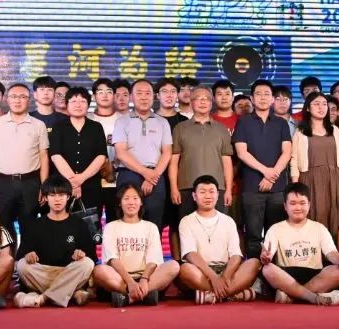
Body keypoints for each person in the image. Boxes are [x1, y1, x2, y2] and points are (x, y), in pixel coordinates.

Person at [258, 181, 339, 305]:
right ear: (285, 206)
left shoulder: (319, 228)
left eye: (302, 203)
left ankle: (292, 296)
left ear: (309, 204)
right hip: (287, 275)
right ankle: (312, 297)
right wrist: (266, 257)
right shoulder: (275, 229)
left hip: (315, 275)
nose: (298, 208)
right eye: (293, 203)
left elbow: (331, 253)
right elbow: (268, 254)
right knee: (268, 269)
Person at [169, 86, 234, 256]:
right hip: (186, 188)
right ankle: (185, 265)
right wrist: (174, 188)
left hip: (216, 189)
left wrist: (228, 189)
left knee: (218, 231)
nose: (203, 102)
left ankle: (218, 264)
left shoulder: (221, 129)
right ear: (191, 103)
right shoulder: (180, 128)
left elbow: (227, 161)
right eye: (198, 98)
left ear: (211, 103)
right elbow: (174, 161)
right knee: (185, 229)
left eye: (206, 98)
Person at [14, 176, 96, 308]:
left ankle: (43, 298)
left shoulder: (79, 224)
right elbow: (21, 257)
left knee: (87, 263)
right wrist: (28, 255)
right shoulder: (35, 225)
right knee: (22, 265)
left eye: (61, 195)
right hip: (44, 273)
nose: (57, 199)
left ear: (68, 197)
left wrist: (81, 254)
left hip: (69, 272)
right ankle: (70, 293)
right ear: (45, 198)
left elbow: (92, 258)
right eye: (52, 195)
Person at [94, 184, 180, 307]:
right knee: (99, 270)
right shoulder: (110, 227)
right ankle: (146, 295)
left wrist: (144, 279)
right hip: (120, 277)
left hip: (147, 277)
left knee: (174, 266)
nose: (131, 202)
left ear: (141, 202)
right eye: (126, 198)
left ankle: (129, 298)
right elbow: (112, 260)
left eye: (135, 198)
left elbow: (153, 260)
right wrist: (130, 282)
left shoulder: (151, 227)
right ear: (120, 203)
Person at [178, 175, 260, 304]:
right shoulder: (186, 221)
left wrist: (225, 276)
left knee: (254, 263)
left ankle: (213, 295)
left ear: (217, 195)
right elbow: (190, 254)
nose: (207, 196)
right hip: (202, 271)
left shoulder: (228, 221)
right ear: (194, 196)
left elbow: (236, 255)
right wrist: (213, 277)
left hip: (227, 271)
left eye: (211, 192)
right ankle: (233, 294)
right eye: (202, 192)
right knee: (184, 269)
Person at [0, 83, 49, 248]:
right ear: (7, 100)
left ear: (29, 100)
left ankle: (25, 261)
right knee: (2, 227)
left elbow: (43, 156)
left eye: (22, 97)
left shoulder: (38, 125)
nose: (18, 100)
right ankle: (7, 260)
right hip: (2, 182)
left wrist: (43, 185)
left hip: (30, 183)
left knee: (29, 226)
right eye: (14, 96)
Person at [233, 79, 291, 255]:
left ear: (272, 99)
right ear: (252, 98)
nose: (263, 97)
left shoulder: (281, 123)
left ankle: (275, 271)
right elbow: (242, 153)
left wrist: (272, 176)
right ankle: (253, 270)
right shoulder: (244, 122)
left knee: (276, 234)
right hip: (252, 187)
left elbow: (287, 152)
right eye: (258, 94)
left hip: (278, 188)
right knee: (253, 236)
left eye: (267, 94)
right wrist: (266, 172)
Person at [114, 79, 173, 230]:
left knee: (154, 220)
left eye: (148, 93)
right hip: (128, 174)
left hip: (156, 176)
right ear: (131, 97)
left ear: (154, 96)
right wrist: (145, 172)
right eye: (139, 93)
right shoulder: (122, 122)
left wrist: (153, 176)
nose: (144, 97)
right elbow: (120, 152)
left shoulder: (162, 122)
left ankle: (153, 247)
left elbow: (167, 152)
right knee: (127, 220)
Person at [289, 92, 339, 238]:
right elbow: (294, 160)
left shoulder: (335, 130)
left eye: (324, 104)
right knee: (313, 217)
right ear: (308, 108)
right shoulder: (300, 132)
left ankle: (335, 251)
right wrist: (296, 186)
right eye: (316, 104)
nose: (321, 107)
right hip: (309, 179)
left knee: (336, 217)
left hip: (334, 180)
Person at [49, 86, 108, 224]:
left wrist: (81, 178)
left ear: (88, 105)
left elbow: (101, 156)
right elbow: (56, 155)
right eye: (74, 101)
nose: (78, 105)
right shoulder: (58, 126)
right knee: (63, 226)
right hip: (63, 187)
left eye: (82, 101)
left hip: (91, 185)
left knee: (91, 227)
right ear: (67, 104)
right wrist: (73, 183)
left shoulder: (96, 127)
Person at [89, 78, 121, 221]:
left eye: (109, 91)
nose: (105, 95)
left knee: (116, 223)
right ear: (94, 96)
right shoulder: (87, 119)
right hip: (92, 181)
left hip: (118, 181)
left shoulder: (124, 119)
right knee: (92, 225)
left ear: (114, 95)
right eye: (100, 92)